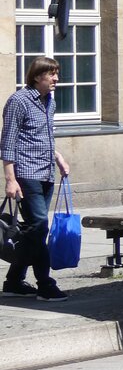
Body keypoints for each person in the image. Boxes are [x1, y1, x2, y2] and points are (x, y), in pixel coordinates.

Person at [2, 57, 70, 302]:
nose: (56, 79)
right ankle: (45, 285)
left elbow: (43, 136)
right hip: (26, 174)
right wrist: (10, 179)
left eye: (57, 74)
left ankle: (13, 282)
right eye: (52, 75)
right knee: (39, 225)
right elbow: (8, 143)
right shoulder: (18, 101)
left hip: (45, 172)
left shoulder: (48, 101)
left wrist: (58, 157)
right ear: (37, 76)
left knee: (34, 230)